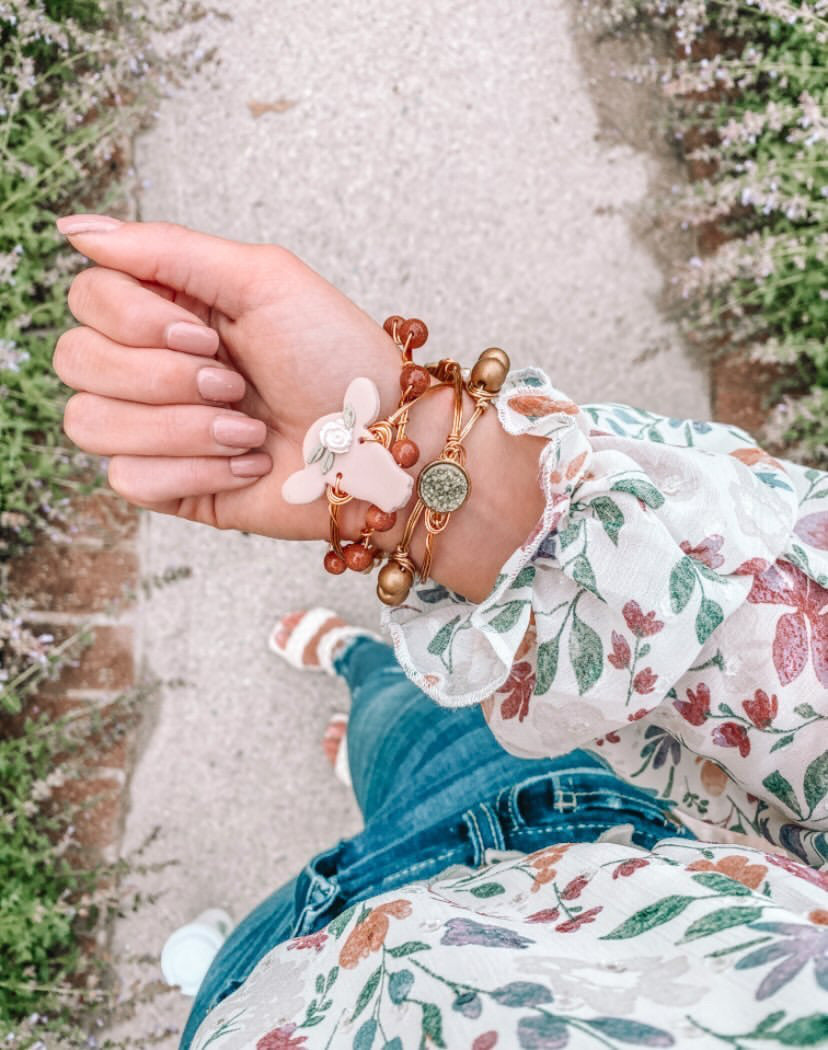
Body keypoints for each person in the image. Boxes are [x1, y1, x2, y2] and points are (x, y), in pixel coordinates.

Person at [53, 215, 828, 1049]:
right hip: (617, 813)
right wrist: (436, 469)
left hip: (294, 975)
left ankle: (212, 953)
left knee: (399, 739)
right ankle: (356, 665)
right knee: (406, 716)